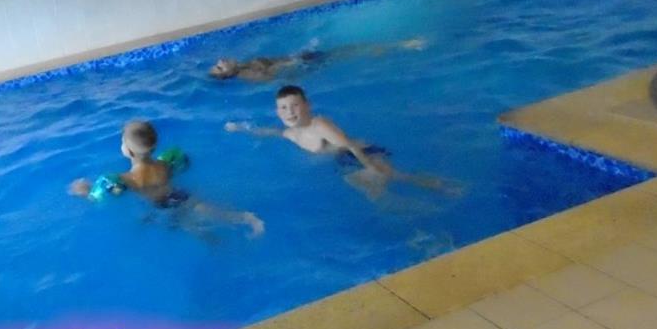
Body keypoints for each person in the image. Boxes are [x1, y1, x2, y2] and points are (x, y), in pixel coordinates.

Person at [225, 86, 458, 200]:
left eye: (295, 105)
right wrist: (242, 129)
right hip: (345, 161)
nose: (289, 112)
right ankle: (424, 205)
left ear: (307, 106)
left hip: (361, 153)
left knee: (394, 179)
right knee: (378, 192)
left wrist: (369, 166)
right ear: (277, 112)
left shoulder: (319, 124)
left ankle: (446, 189)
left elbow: (349, 145)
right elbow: (273, 132)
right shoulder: (291, 134)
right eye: (284, 108)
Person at [70, 120, 264, 236]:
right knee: (211, 212)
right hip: (181, 195)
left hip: (161, 207)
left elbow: (98, 197)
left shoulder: (129, 179)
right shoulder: (165, 165)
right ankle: (248, 218)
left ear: (128, 151)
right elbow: (185, 165)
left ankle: (217, 242)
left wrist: (85, 190)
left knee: (187, 228)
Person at [208, 38, 427, 81]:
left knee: (345, 51)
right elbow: (272, 76)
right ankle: (401, 46)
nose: (220, 60)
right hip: (301, 67)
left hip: (300, 60)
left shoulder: (246, 63)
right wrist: (293, 63)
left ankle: (388, 48)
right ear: (228, 74)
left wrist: (298, 53)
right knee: (345, 53)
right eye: (219, 67)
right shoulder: (247, 74)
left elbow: (275, 61)